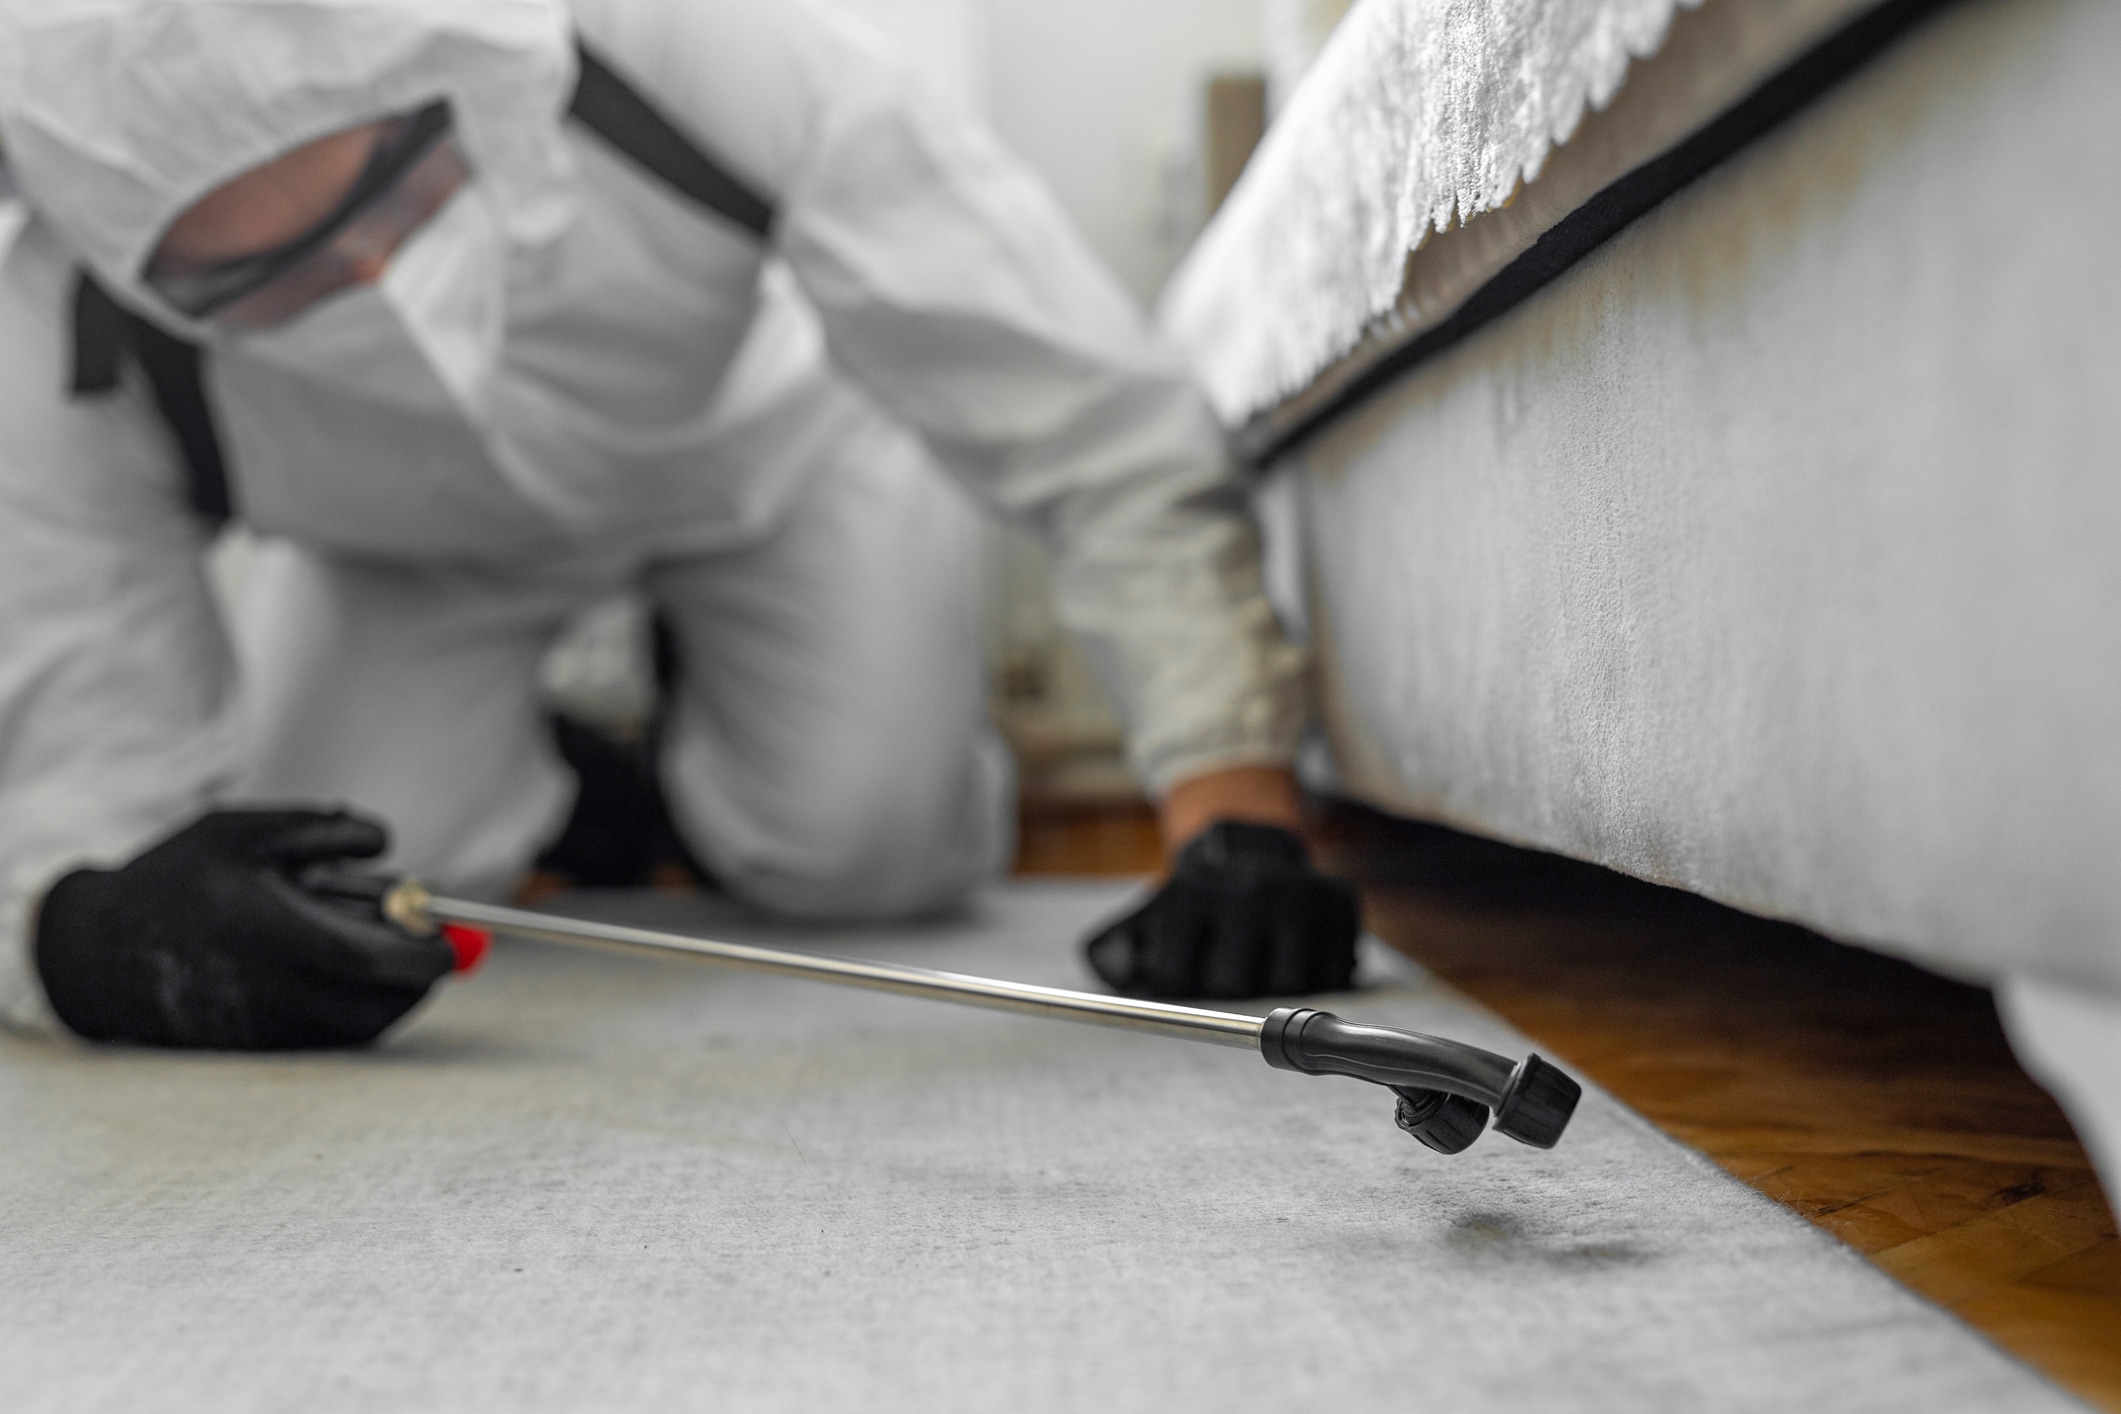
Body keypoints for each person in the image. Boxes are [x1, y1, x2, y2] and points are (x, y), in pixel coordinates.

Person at [0, 0, 1358, 1050]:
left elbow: (1081, 413)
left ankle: (684, 739)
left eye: (402, 181)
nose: (369, 272)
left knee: (871, 846)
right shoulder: (44, 339)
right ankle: (598, 783)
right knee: (339, 898)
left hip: (767, 456)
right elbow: (69, 793)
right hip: (403, 562)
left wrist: (1233, 798)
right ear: (126, 249)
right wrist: (97, 937)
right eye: (257, 273)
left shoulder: (701, 40)